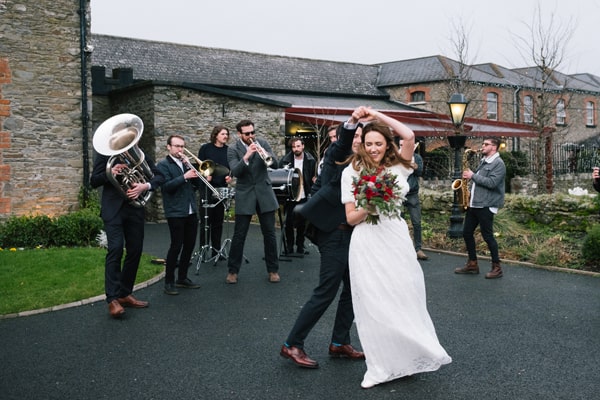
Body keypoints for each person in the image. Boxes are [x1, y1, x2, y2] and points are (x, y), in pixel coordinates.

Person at [341, 109, 451, 389]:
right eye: (369, 144)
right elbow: (351, 218)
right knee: (373, 303)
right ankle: (379, 366)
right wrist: (372, 203)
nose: (374, 149)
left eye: (379, 143)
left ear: (387, 144)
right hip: (366, 241)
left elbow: (410, 135)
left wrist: (373, 115)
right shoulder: (351, 172)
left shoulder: (400, 166)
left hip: (395, 238)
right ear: (362, 145)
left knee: (403, 296)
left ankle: (406, 358)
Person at [280, 106, 368, 369]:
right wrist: (352, 122)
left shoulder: (362, 163)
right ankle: (292, 344)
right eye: (354, 137)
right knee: (326, 291)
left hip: (351, 234)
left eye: (360, 139)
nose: (357, 142)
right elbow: (342, 144)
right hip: (333, 233)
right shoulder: (335, 157)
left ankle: (339, 342)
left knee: (354, 289)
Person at [90, 137, 165, 318]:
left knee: (135, 251)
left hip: (134, 209)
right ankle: (112, 299)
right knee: (115, 249)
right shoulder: (106, 155)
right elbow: (93, 181)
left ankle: (124, 293)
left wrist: (144, 186)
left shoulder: (140, 155)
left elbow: (159, 176)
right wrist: (111, 173)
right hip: (114, 210)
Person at [226, 119, 280, 284]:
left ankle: (273, 270)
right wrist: (247, 155)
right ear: (240, 134)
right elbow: (235, 171)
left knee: (270, 234)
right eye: (247, 133)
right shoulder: (233, 149)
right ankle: (233, 271)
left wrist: (266, 154)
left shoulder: (262, 142)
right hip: (245, 193)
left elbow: (276, 164)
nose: (251, 136)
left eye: (252, 132)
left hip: (264, 192)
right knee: (239, 235)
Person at [156, 134, 203, 295]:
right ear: (168, 147)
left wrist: (199, 174)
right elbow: (166, 187)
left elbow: (195, 185)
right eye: (177, 146)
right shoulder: (163, 165)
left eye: (182, 146)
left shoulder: (186, 163)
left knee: (189, 245)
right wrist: (184, 176)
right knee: (176, 246)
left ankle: (182, 278)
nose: (180, 149)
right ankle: (169, 281)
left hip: (190, 210)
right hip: (175, 211)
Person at [454, 137, 506, 279]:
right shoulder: (484, 161)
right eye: (483, 144)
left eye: (486, 144)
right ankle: (472, 264)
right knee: (466, 232)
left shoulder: (498, 163)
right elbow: (479, 181)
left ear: (494, 147)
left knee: (487, 236)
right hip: (475, 203)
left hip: (487, 204)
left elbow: (492, 183)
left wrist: (473, 175)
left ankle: (497, 268)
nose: (482, 146)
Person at [197, 125, 233, 258]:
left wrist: (230, 177)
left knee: (218, 222)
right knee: (206, 221)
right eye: (223, 134)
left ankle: (216, 250)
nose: (225, 136)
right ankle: (202, 250)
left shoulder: (229, 151)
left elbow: (231, 169)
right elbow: (200, 166)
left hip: (221, 188)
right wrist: (205, 175)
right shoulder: (206, 148)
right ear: (216, 135)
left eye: (227, 134)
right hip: (206, 188)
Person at [279, 137, 316, 255]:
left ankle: (300, 246)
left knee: (302, 222)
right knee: (289, 222)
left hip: (304, 194)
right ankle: (289, 246)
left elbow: (312, 178)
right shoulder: (285, 160)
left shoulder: (310, 160)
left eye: (298, 146)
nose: (296, 149)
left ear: (303, 146)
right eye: (294, 147)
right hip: (290, 195)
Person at [402, 141, 428, 260]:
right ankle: (401, 248)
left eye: (405, 145)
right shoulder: (395, 157)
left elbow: (420, 172)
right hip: (398, 194)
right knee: (398, 222)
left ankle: (418, 249)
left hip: (412, 194)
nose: (403, 147)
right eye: (401, 145)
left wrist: (414, 166)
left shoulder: (417, 157)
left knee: (416, 222)